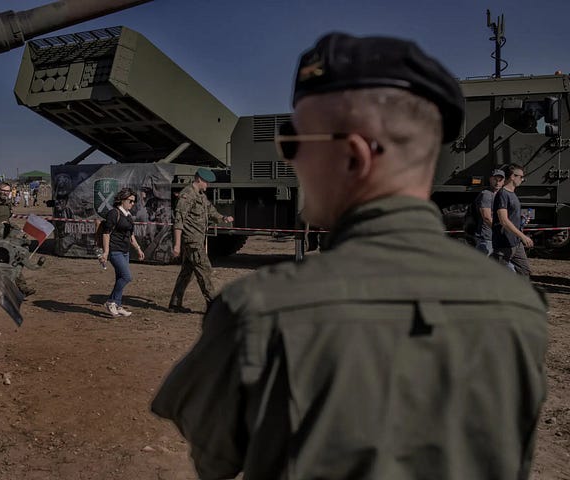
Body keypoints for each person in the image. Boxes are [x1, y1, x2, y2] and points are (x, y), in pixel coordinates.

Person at [152, 33, 548, 480]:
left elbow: (214, 455)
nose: (291, 160)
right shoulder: (521, 310)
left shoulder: (258, 313)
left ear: (352, 157)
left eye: (295, 143)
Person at [168, 168, 234, 313]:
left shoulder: (200, 195)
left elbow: (210, 211)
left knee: (187, 272)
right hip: (192, 241)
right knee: (205, 271)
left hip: (197, 240)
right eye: (207, 182)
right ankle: (214, 307)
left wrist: (222, 218)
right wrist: (177, 245)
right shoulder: (187, 195)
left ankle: (174, 304)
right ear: (199, 179)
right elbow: (179, 221)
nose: (208, 185)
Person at [97, 188, 145, 317]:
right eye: (130, 201)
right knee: (126, 277)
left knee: (120, 277)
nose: (132, 204)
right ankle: (111, 301)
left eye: (134, 201)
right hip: (114, 250)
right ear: (122, 200)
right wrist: (106, 252)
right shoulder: (114, 213)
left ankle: (117, 305)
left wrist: (138, 249)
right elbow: (106, 233)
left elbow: (131, 235)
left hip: (125, 250)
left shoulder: (128, 216)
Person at [491, 163, 534, 275]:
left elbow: (511, 215)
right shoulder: (503, 194)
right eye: (521, 177)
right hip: (504, 242)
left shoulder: (512, 194)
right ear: (512, 176)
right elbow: (504, 220)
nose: (522, 179)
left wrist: (521, 219)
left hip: (515, 242)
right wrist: (522, 236)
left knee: (524, 270)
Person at [470, 168, 505, 254]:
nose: (497, 182)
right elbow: (486, 217)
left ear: (504, 181)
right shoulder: (486, 194)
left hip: (495, 236)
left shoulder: (501, 195)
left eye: (500, 180)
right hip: (486, 237)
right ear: (490, 179)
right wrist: (499, 230)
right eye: (495, 180)